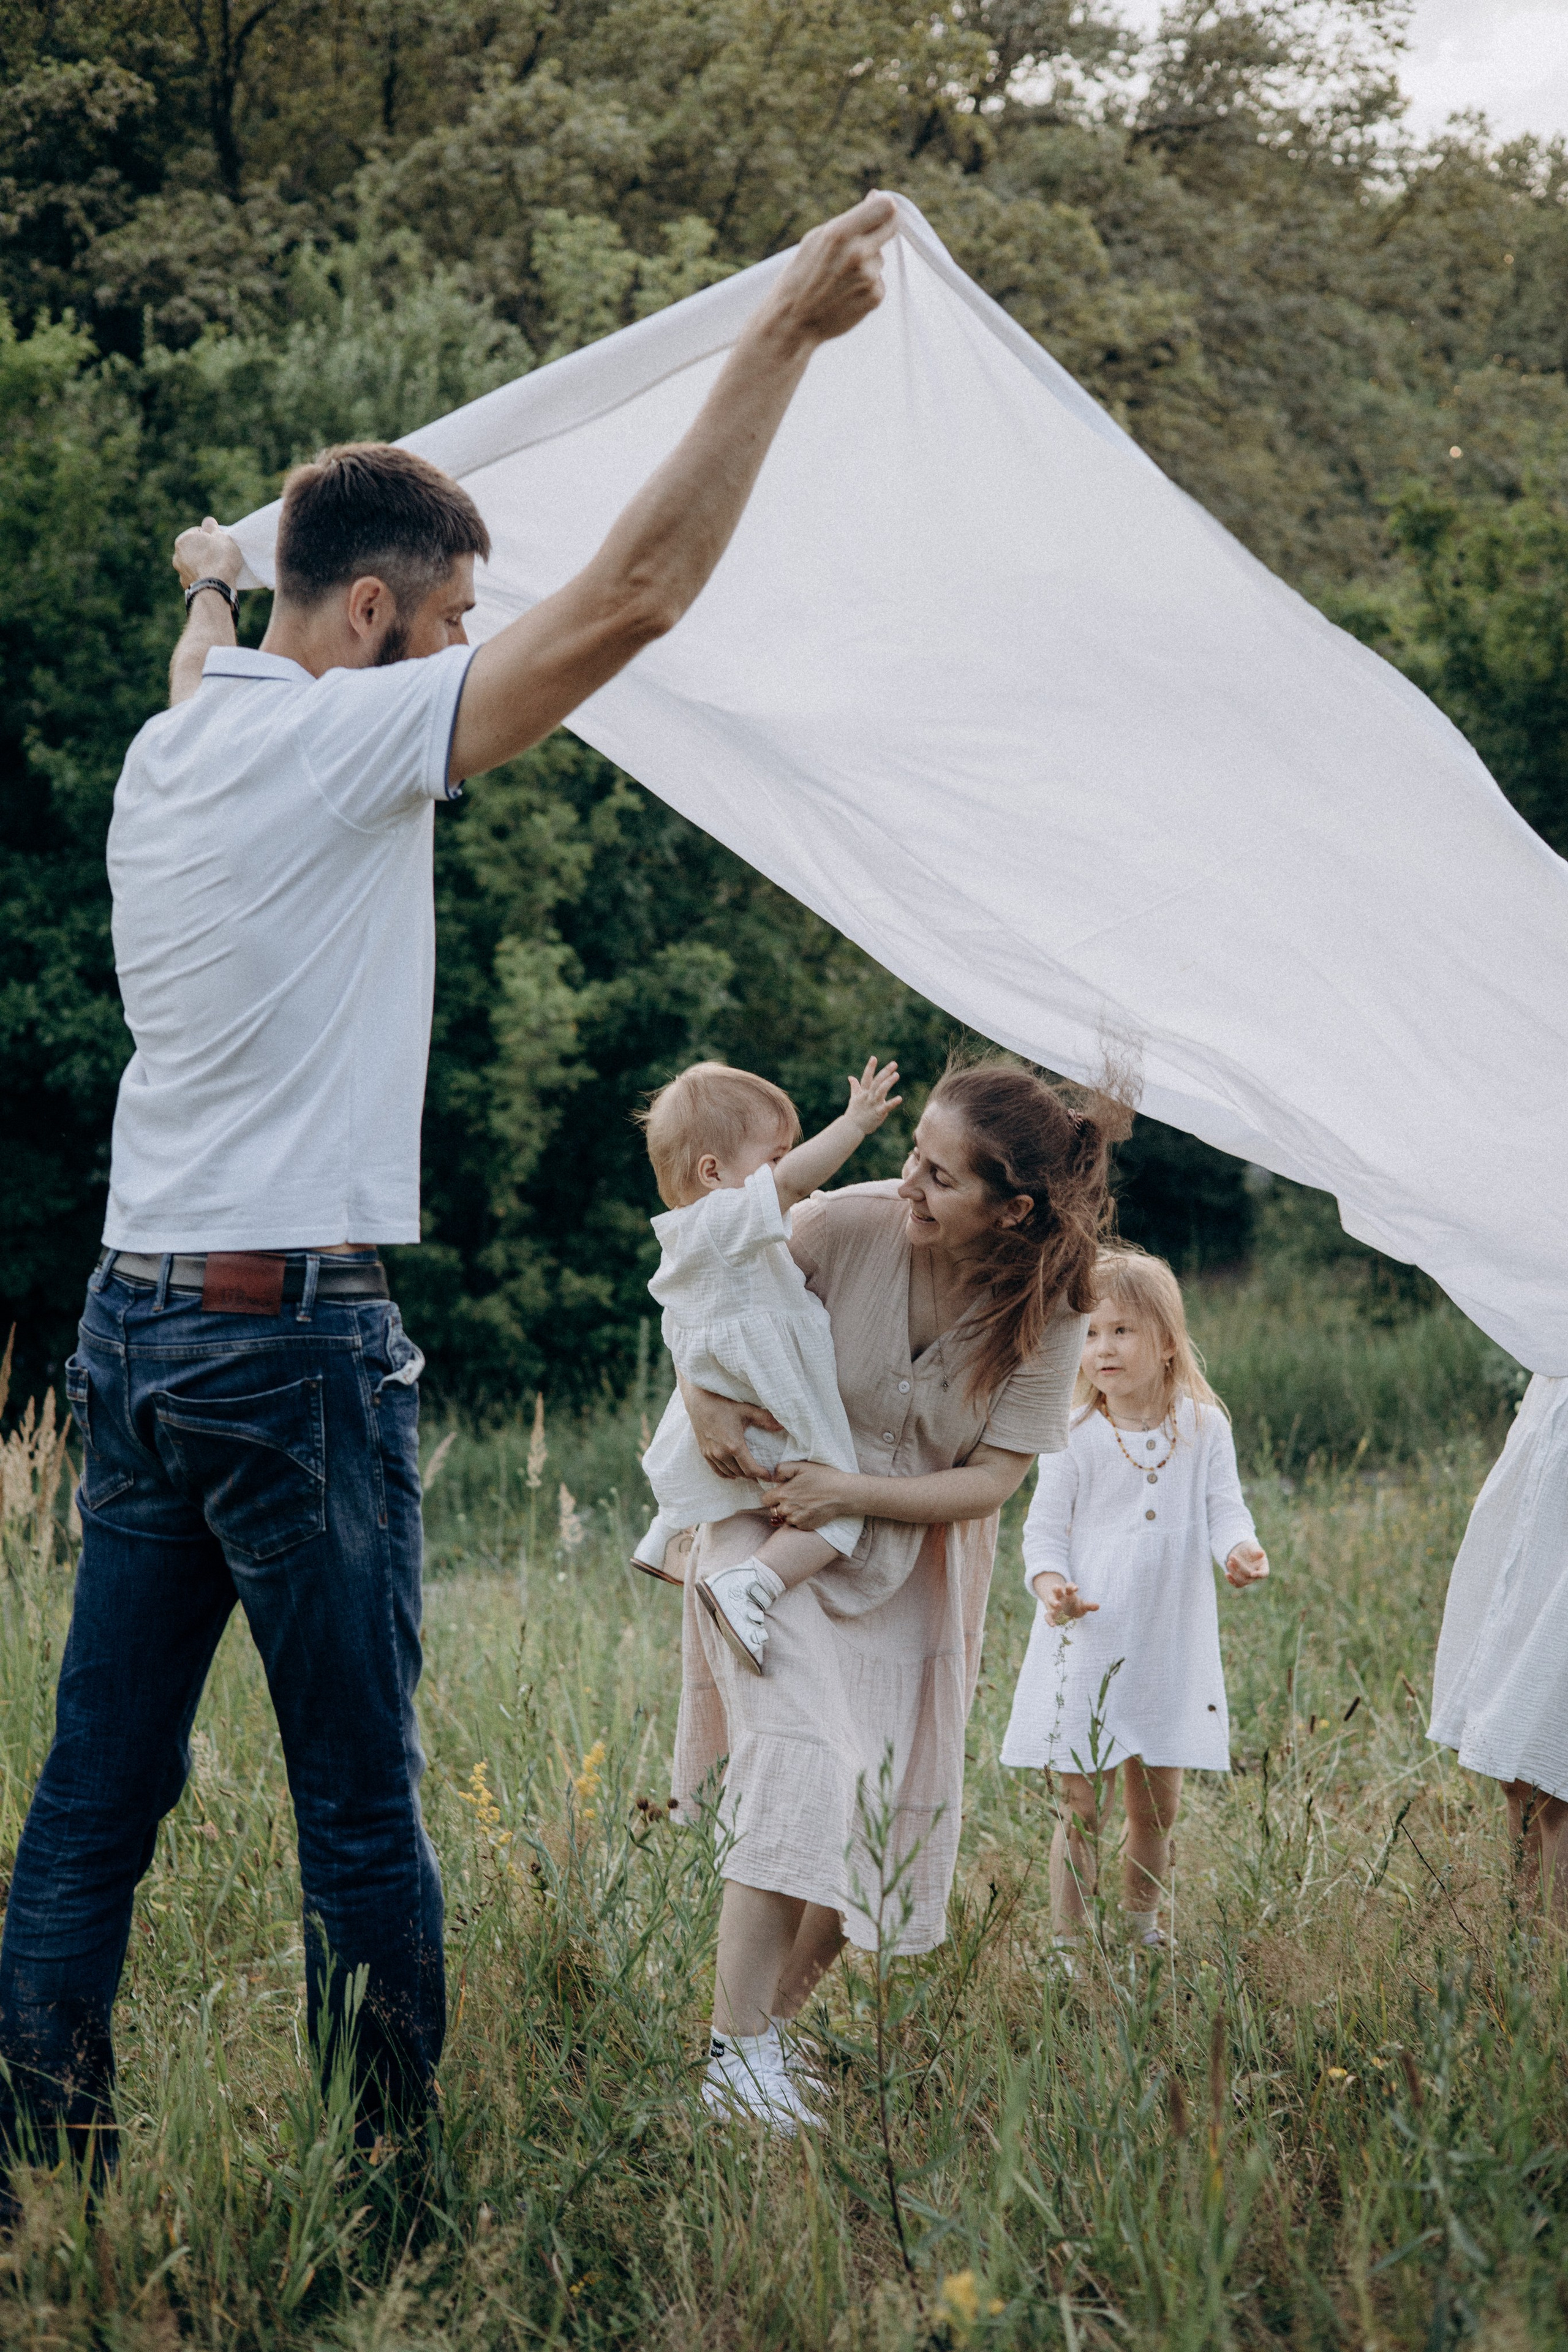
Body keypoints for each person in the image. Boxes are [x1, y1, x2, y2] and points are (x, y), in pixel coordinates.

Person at [0, 192, 900, 2173]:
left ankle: (42, 2178)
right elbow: (643, 596)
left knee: (93, 1799)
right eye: (459, 620)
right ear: (385, 619)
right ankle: (394, 2205)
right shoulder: (348, 743)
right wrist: (785, 337)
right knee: (357, 1804)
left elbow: (202, 642)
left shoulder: (180, 750)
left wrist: (213, 581)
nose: (475, 654)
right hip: (290, 1349)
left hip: (135, 1328)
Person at [672, 1059, 1125, 2131]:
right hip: (772, 1536)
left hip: (915, 1558)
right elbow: (709, 1300)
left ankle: (760, 2046)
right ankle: (733, 2057)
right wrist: (699, 1405)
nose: (909, 1183)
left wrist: (860, 1491)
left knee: (878, 1826)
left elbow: (994, 1480)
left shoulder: (1056, 1305)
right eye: (912, 1155)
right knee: (800, 1766)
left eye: (939, 1176)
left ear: (1012, 1210)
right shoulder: (841, 1226)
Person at [999, 1247, 1269, 1964]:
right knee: (1079, 1804)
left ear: (1167, 1343)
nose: (1102, 1348)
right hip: (1085, 1637)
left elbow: (1225, 1511)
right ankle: (1066, 1944)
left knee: (1157, 1803)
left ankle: (1138, 1927)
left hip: (1165, 1640)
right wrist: (1050, 1587)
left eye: (1121, 1331)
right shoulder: (1074, 1436)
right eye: (1088, 1333)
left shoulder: (1205, 1427)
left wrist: (1240, 1551)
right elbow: (1043, 1534)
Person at [632, 1056, 902, 1672]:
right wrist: (854, 1123)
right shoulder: (724, 1218)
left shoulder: (689, 1240)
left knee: (706, 1451)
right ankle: (749, 1585)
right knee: (839, 1514)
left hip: (727, 1383)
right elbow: (795, 1185)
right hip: (774, 1402)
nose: (786, 1167)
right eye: (775, 1155)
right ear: (713, 1172)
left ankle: (670, 1532)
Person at [1429, 1374, 1568, 1921]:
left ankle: (1546, 1953)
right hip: (1550, 1454)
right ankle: (1531, 1948)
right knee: (1523, 1763)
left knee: (1551, 1761)